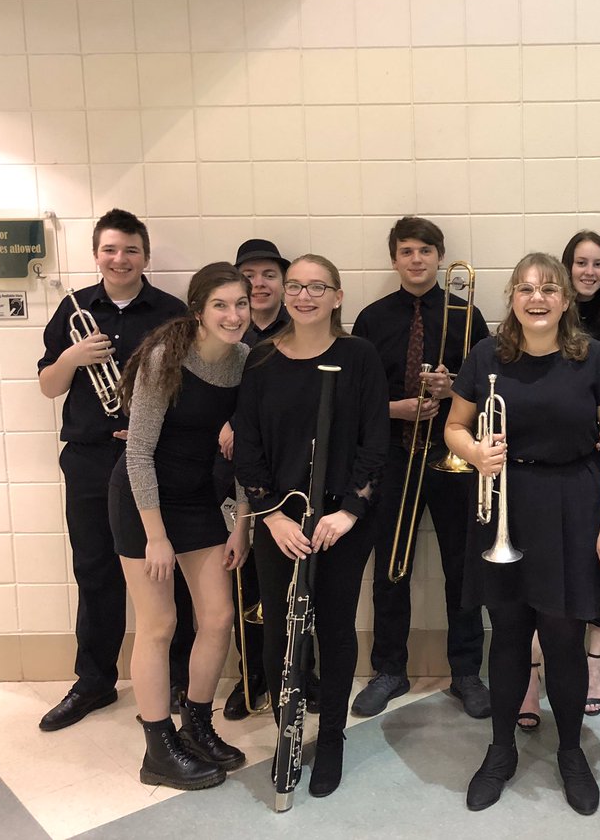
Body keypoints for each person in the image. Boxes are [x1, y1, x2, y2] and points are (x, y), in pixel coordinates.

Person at [445, 252, 600, 816]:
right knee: (506, 636)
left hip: (573, 503)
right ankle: (500, 750)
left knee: (563, 639)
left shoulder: (594, 359)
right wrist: (476, 451)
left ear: (565, 299)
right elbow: (454, 426)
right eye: (525, 288)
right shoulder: (487, 357)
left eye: (549, 288)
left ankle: (570, 752)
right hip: (505, 504)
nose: (537, 298)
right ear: (512, 298)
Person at [234, 254, 389, 799]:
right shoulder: (259, 361)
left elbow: (375, 442)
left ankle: (334, 739)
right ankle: (287, 734)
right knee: (280, 630)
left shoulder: (360, 356)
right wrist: (271, 515)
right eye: (294, 286)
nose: (303, 296)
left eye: (316, 287)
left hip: (342, 522)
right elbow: (247, 448)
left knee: (335, 628)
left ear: (337, 296)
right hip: (280, 522)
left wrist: (348, 512)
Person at [36, 208, 192, 732]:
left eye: (130, 249)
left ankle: (175, 674)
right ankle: (94, 680)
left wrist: (149, 434)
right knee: (95, 568)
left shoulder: (172, 313)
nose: (120, 258)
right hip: (88, 458)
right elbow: (48, 386)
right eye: (109, 249)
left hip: (152, 460)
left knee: (165, 570)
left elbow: (190, 394)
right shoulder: (74, 309)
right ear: (96, 254)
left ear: (145, 256)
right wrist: (73, 357)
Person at [108, 263, 252, 790]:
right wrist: (156, 536)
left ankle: (197, 725)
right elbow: (139, 452)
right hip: (142, 501)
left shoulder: (243, 363)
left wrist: (238, 524)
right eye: (221, 305)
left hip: (197, 499)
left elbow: (244, 453)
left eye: (241, 303)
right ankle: (158, 748)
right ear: (198, 310)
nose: (234, 315)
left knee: (217, 618)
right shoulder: (166, 357)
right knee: (160, 625)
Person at [351, 217, 491, 719]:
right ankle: (389, 670)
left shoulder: (466, 312)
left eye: (425, 251)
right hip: (391, 456)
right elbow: (357, 396)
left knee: (463, 568)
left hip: (453, 456)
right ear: (394, 259)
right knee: (391, 567)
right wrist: (399, 408)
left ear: (439, 257)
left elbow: (491, 387)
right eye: (406, 251)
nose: (416, 260)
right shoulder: (370, 318)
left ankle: (467, 672)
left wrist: (452, 390)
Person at [509, 231, 600, 726]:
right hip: (532, 481)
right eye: (579, 264)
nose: (589, 272)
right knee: (530, 592)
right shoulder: (504, 347)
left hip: (590, 466)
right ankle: (530, 676)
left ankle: (594, 664)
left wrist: (594, 415)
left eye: (598, 264)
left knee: (589, 577)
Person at [214, 238, 300, 721]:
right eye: (249, 275)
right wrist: (228, 424)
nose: (260, 283)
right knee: (243, 576)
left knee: (294, 582)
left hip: (283, 477)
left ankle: (298, 670)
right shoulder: (227, 331)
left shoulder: (302, 327)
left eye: (269, 274)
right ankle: (253, 675)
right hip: (234, 477)